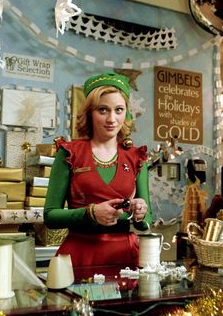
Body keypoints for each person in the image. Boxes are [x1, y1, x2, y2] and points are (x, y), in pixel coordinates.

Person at [44, 72, 153, 267]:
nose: (112, 119)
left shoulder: (137, 157)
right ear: (89, 112)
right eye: (103, 110)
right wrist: (91, 213)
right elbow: (50, 216)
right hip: (79, 254)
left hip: (125, 258)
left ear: (126, 112)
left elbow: (146, 222)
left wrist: (140, 212)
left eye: (119, 110)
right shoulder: (69, 153)